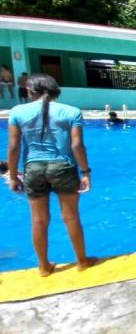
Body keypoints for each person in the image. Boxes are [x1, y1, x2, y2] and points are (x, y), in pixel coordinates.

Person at [7, 73, 95, 276]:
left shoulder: (17, 112)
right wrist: (85, 172)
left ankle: (44, 266)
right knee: (71, 216)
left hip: (33, 168)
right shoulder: (71, 112)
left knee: (38, 220)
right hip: (63, 167)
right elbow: (77, 146)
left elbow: (13, 147)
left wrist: (13, 176)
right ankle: (82, 261)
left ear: (31, 91)